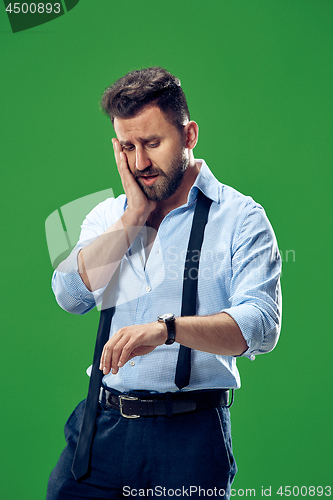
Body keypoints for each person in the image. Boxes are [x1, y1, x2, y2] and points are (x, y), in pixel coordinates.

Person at [46, 67, 282, 499]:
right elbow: (69, 295)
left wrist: (168, 330)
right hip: (100, 429)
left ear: (189, 135)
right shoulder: (108, 216)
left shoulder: (242, 218)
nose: (139, 163)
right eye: (128, 146)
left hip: (190, 438)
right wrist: (132, 218)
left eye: (153, 143)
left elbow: (260, 326)